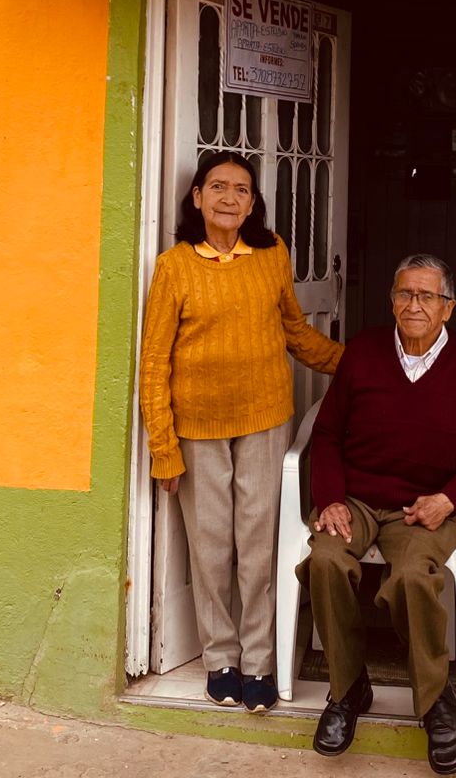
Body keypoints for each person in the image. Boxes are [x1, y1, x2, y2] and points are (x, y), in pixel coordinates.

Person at [138, 150, 343, 714]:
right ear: (197, 197)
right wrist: (163, 448)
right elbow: (154, 362)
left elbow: (295, 332)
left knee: (257, 547)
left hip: (264, 420)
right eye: (218, 187)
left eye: (242, 190)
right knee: (210, 548)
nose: (230, 198)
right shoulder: (175, 266)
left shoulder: (272, 253)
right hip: (198, 428)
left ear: (253, 203)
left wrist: (356, 363)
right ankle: (220, 659)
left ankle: (258, 660)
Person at [300, 253, 456, 775]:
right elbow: (327, 433)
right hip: (357, 500)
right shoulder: (363, 352)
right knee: (325, 561)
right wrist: (331, 497)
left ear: (448, 307)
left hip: (425, 505)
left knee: (412, 576)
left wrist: (449, 498)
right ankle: (347, 689)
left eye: (427, 296)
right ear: (391, 301)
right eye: (405, 294)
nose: (414, 305)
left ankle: (434, 700)